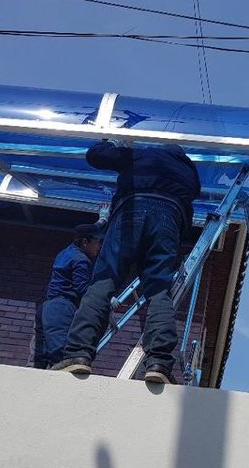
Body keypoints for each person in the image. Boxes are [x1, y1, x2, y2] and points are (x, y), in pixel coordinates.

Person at [52, 140, 201, 384]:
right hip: (169, 220)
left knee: (104, 282)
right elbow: (191, 199)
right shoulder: (189, 172)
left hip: (132, 209)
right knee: (158, 291)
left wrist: (114, 142)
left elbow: (95, 156)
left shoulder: (142, 155)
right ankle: (159, 363)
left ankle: (78, 353)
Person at [33, 223, 102, 369]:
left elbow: (88, 230)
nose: (99, 246)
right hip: (62, 308)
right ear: (85, 242)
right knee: (62, 357)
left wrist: (102, 220)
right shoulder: (81, 259)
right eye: (97, 242)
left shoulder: (65, 253)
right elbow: (82, 288)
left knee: (40, 357)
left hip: (47, 308)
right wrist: (103, 301)